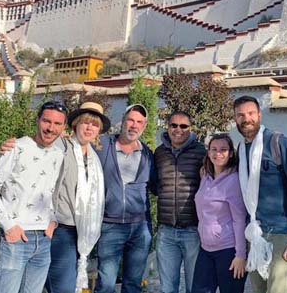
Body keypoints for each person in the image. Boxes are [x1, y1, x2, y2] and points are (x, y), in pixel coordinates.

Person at [0, 101, 67, 293]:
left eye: (57, 124)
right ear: (38, 120)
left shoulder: (58, 154)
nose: (51, 128)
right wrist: (9, 226)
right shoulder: (16, 148)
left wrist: (53, 220)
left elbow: (51, 190)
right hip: (16, 238)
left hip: (44, 239)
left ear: (64, 127)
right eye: (46, 121)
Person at [233, 95, 287, 293]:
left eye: (250, 113)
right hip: (255, 233)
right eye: (240, 115)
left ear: (259, 114)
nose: (246, 118)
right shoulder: (241, 150)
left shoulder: (280, 143)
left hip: (281, 234)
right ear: (235, 119)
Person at [47, 102, 109, 293]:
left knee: (59, 283)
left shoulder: (94, 157)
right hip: (61, 228)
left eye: (95, 124)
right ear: (75, 124)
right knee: (63, 286)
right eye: (85, 122)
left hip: (82, 231)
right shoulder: (61, 146)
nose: (90, 128)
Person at [94, 104, 155, 293]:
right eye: (131, 120)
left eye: (139, 122)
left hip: (139, 227)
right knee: (106, 284)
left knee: (133, 284)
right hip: (110, 225)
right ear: (123, 121)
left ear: (144, 126)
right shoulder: (102, 145)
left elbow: (155, 187)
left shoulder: (148, 155)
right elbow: (76, 147)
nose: (134, 125)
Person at [150, 111, 206, 293]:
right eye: (174, 125)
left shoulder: (201, 152)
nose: (178, 130)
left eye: (183, 126)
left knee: (194, 286)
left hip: (193, 230)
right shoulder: (159, 153)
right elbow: (153, 184)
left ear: (190, 129)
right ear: (167, 127)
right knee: (167, 288)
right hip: (166, 231)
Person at [190, 133, 247, 293]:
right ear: (208, 152)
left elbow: (239, 219)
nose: (218, 153)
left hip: (228, 251)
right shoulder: (205, 176)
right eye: (214, 149)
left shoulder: (234, 180)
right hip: (205, 249)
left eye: (223, 149)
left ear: (230, 153)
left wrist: (240, 255)